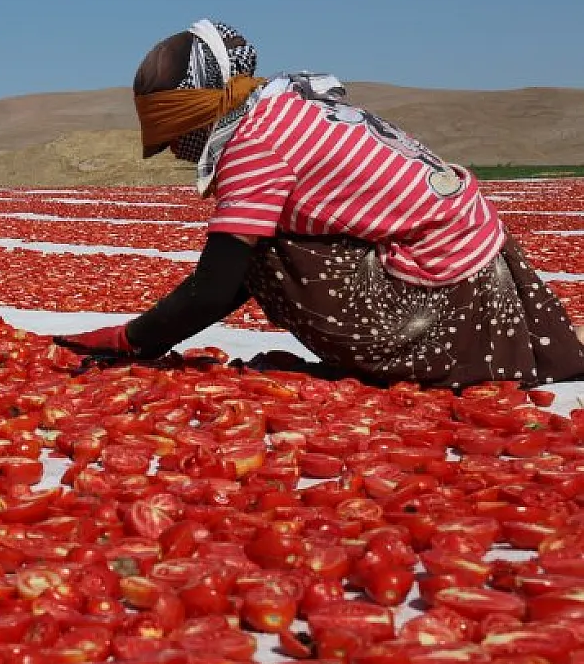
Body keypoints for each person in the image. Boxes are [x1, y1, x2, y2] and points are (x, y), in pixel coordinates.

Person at [54, 20, 584, 390]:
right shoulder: (285, 107)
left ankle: (420, 360)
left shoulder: (255, 146)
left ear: (203, 113)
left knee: (258, 246)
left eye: (177, 132)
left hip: (441, 291)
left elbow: (217, 286)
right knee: (257, 229)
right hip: (475, 255)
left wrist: (131, 339)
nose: (173, 147)